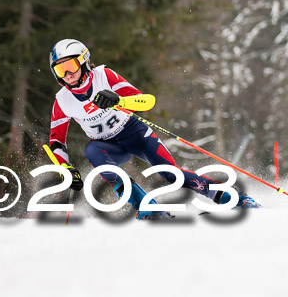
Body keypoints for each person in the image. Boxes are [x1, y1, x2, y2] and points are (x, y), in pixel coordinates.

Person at [46, 38, 261, 220]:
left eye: (70, 66)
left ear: (83, 62)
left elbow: (146, 101)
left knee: (171, 174)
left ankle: (234, 198)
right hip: (107, 145)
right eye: (60, 69)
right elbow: (56, 141)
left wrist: (119, 101)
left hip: (133, 133)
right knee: (92, 152)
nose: (67, 74)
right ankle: (148, 208)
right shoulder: (62, 101)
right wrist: (66, 168)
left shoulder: (105, 76)